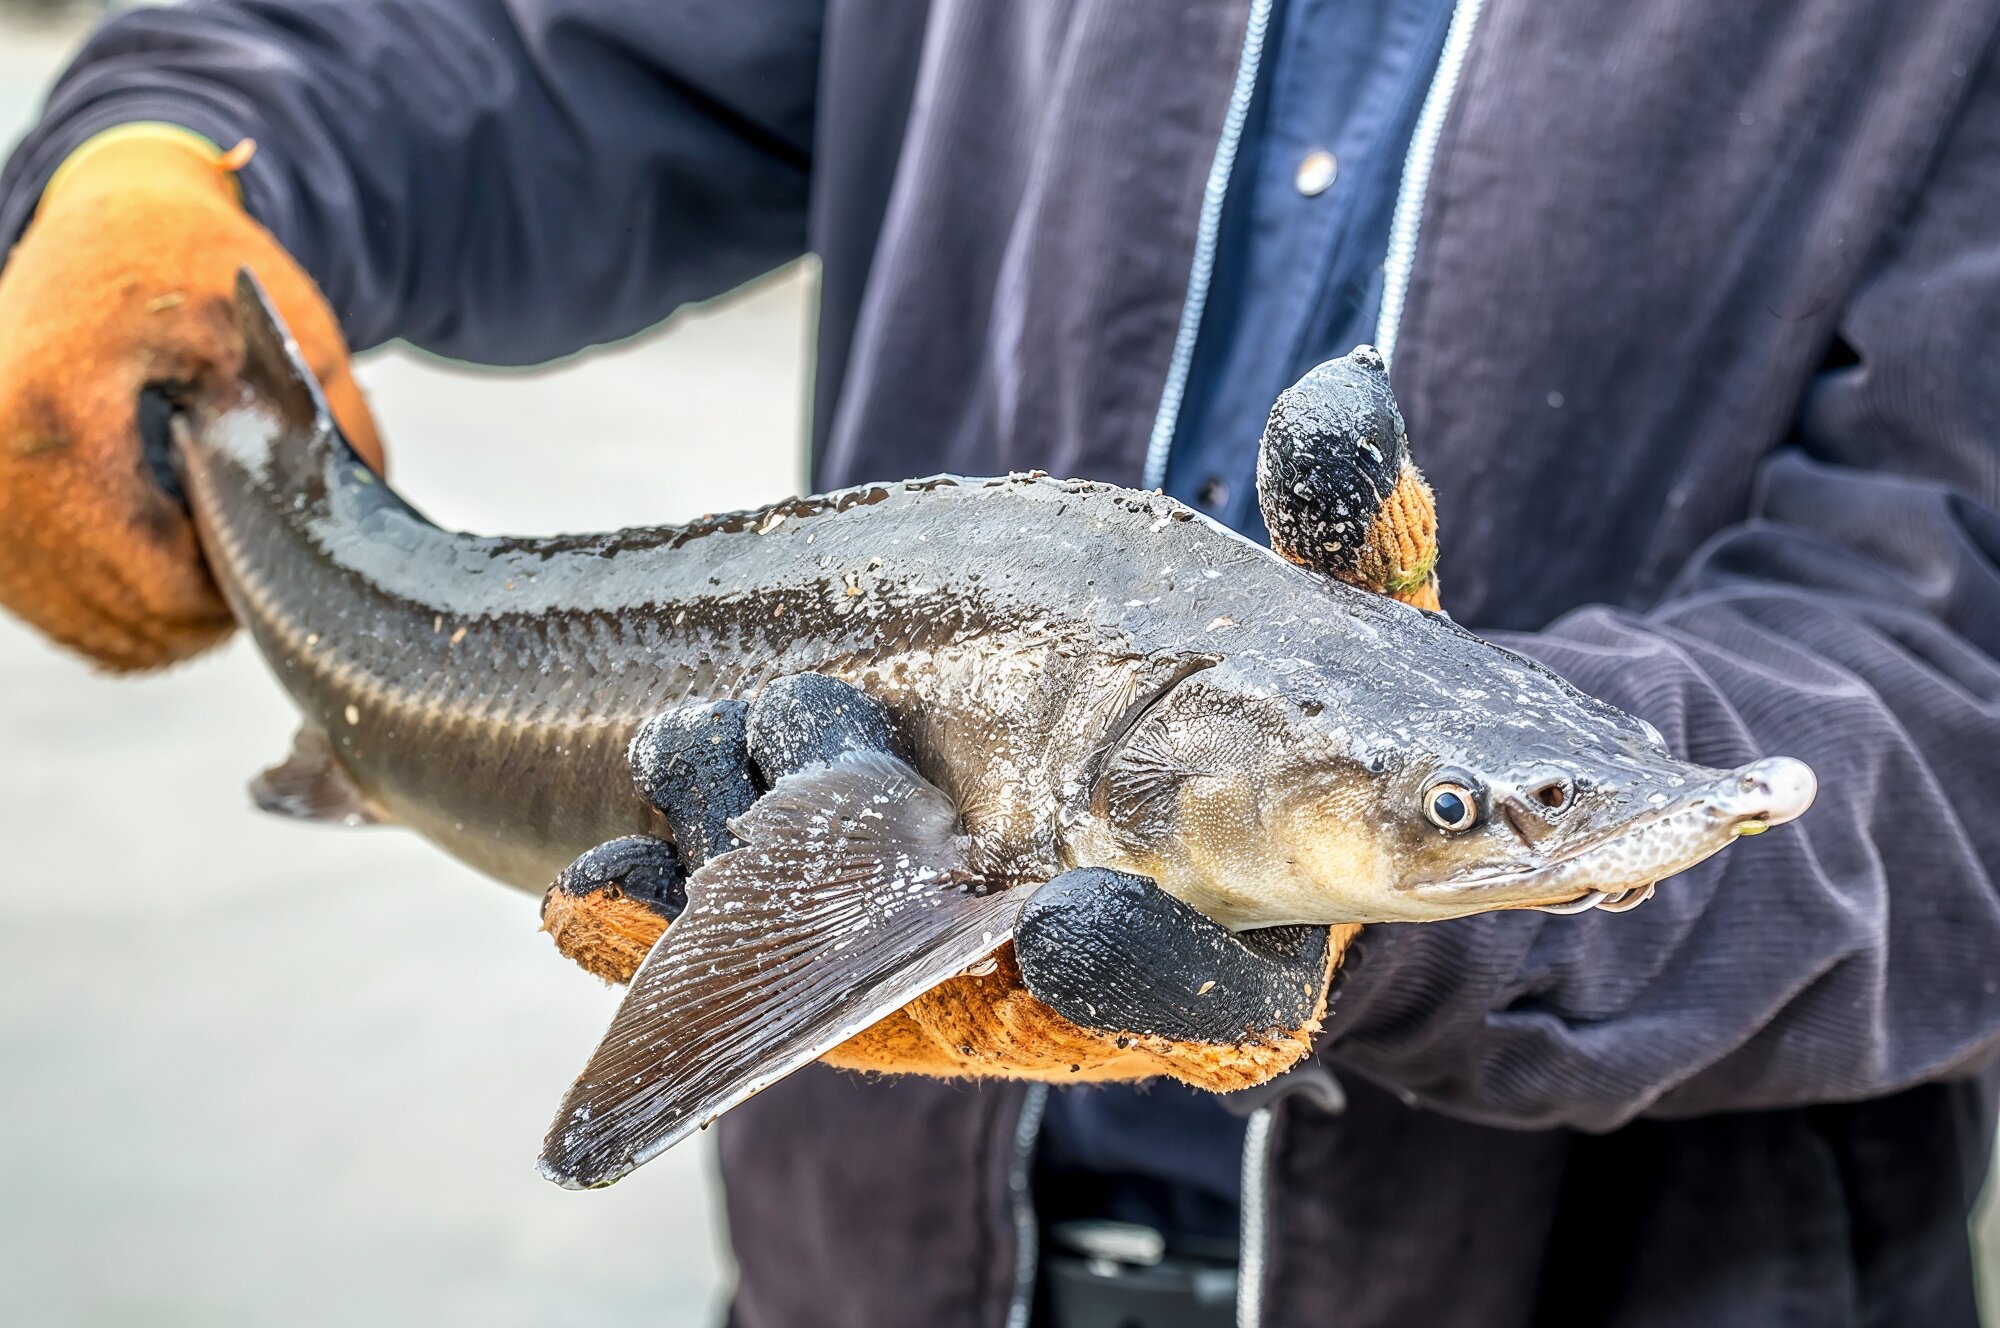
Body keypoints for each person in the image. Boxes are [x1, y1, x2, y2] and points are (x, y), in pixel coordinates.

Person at [4, 2, 2000, 1325]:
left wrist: (1416, 923)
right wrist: (179, 141)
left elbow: (1947, 696)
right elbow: (523, 59)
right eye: (1452, 816)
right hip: (869, 1275)